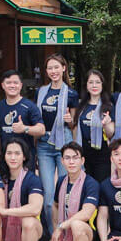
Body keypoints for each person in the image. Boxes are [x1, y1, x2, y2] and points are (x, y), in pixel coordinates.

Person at [31, 142, 99, 241]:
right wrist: (57, 228)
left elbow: (87, 213)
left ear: (82, 161)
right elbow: (55, 205)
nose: (71, 161)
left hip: (87, 236)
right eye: (67, 158)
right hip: (66, 237)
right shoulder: (62, 181)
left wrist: (62, 226)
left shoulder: (91, 183)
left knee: (77, 225)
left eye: (75, 158)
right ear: (62, 161)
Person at [0, 139, 46, 241]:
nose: (13, 157)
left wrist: (7, 211)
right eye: (9, 153)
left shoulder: (32, 179)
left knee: (28, 222)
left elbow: (35, 208)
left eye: (17, 153)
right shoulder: (1, 179)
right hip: (11, 231)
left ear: (24, 157)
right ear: (4, 156)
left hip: (35, 232)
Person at [36, 54, 78, 190]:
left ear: (64, 68)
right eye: (50, 68)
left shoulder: (72, 94)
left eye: (56, 67)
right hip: (43, 143)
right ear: (46, 71)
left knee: (65, 188)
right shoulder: (41, 91)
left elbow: (73, 124)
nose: (53, 71)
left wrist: (70, 120)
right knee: (48, 194)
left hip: (64, 141)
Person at [0, 69, 45, 164]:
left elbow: (41, 130)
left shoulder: (30, 106)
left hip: (26, 157)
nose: (12, 85)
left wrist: (24, 128)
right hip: (6, 157)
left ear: (21, 85)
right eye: (8, 83)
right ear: (3, 85)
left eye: (15, 83)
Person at [76, 69, 114, 182]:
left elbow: (111, 133)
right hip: (84, 152)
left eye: (97, 82)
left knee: (101, 186)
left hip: (102, 153)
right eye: (91, 82)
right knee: (86, 185)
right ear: (86, 85)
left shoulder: (108, 106)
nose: (94, 85)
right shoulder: (81, 106)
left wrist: (107, 124)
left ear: (103, 85)